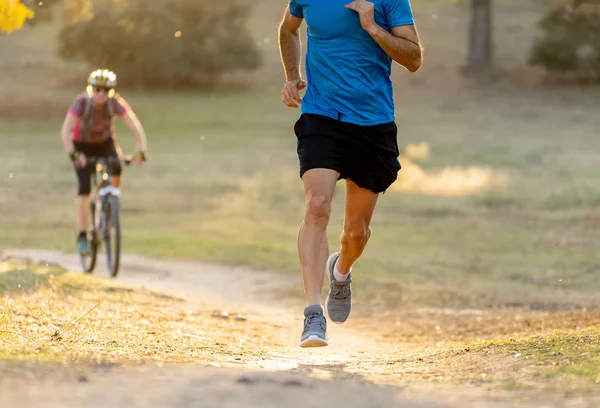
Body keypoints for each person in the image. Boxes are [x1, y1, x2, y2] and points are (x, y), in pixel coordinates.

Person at [278, 0, 423, 347]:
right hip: (322, 115)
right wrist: (292, 76)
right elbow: (288, 29)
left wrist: (373, 27)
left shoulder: (389, 1)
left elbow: (414, 59)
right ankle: (313, 314)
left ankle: (340, 271)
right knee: (317, 205)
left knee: (355, 233)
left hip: (373, 122)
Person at [60, 69, 148, 255]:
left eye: (106, 90)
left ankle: (109, 203)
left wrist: (141, 150)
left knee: (117, 167)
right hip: (82, 145)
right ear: (91, 89)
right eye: (97, 89)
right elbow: (65, 130)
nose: (101, 94)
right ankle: (83, 235)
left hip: (105, 143)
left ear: (111, 92)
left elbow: (135, 126)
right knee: (84, 188)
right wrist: (74, 154)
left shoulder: (114, 104)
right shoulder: (81, 103)